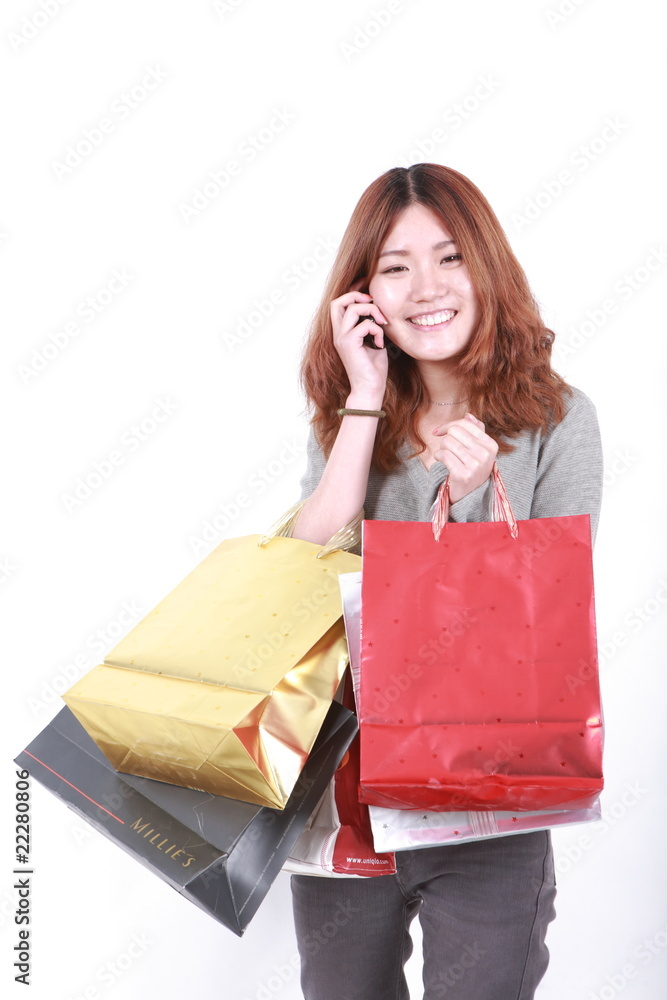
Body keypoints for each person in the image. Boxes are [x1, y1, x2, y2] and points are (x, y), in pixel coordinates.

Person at [288, 163, 602, 1000]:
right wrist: (359, 402)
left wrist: (464, 511)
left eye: (449, 257)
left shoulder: (556, 420)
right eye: (394, 266)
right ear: (363, 294)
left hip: (490, 793)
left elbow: (551, 616)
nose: (425, 287)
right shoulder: (347, 418)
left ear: (485, 268)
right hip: (347, 789)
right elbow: (298, 570)